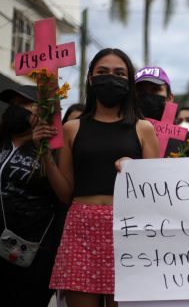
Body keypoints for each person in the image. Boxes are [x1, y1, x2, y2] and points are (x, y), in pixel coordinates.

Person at [33, 48, 160, 307]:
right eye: (102, 72)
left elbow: (156, 191)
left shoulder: (143, 128)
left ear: (128, 81)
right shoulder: (72, 128)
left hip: (129, 231)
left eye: (119, 73)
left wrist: (134, 170)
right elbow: (65, 193)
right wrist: (44, 152)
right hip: (81, 229)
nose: (110, 77)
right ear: (90, 78)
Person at [0, 85, 63, 306]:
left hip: (32, 256)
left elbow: (63, 198)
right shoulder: (2, 141)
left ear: (43, 112)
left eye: (25, 104)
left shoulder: (53, 151)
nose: (17, 109)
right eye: (14, 104)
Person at [134, 66, 189, 157]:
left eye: (155, 89)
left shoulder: (186, 139)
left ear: (169, 98)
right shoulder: (124, 135)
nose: (147, 96)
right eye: (140, 91)